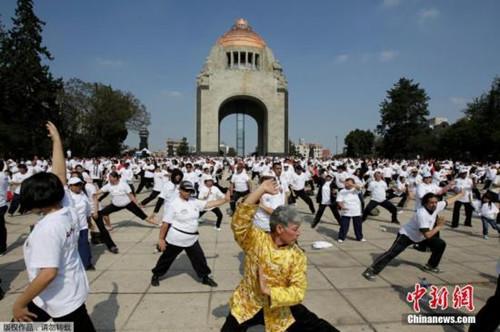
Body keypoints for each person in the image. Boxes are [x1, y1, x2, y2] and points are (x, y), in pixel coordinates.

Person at [221, 179, 338, 332]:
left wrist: (269, 291)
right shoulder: (256, 241)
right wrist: (260, 190)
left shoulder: (296, 255)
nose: (299, 233)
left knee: (319, 327)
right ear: (280, 229)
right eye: (295, 229)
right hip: (248, 302)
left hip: (280, 307)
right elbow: (240, 221)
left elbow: (298, 292)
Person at [12, 121, 95, 331]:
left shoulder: (47, 229)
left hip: (58, 297)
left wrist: (19, 303)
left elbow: (48, 273)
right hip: (64, 292)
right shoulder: (65, 207)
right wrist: (57, 141)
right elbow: (59, 175)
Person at [362, 190, 464, 280]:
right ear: (425, 203)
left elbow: (448, 201)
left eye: (435, 202)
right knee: (392, 253)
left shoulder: (436, 206)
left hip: (420, 236)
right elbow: (428, 235)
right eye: (431, 203)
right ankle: (371, 270)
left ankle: (431, 266)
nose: (434, 204)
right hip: (407, 235)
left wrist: (460, 194)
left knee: (440, 244)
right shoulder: (422, 214)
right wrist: (438, 226)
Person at [150, 180, 230, 287]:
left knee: (199, 258)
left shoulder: (194, 201)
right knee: (166, 259)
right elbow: (165, 224)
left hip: (191, 238)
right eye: (186, 190)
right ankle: (156, 275)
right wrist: (161, 239)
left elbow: (208, 204)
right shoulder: (173, 204)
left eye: (190, 190)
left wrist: (224, 200)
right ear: (180, 190)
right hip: (176, 238)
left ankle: (204, 277)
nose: (188, 192)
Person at [92, 171, 155, 254]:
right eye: (109, 178)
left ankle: (158, 224)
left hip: (128, 204)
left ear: (116, 178)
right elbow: (98, 192)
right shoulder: (108, 185)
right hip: (115, 205)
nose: (109, 179)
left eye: (111, 177)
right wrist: (93, 193)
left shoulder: (124, 184)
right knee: (101, 213)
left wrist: (137, 204)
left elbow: (131, 195)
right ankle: (109, 226)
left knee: (143, 216)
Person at [68, 177, 94, 270]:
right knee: (72, 246)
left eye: (80, 184)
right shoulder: (67, 197)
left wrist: (89, 221)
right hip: (72, 226)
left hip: (83, 225)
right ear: (70, 186)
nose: (79, 186)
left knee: (84, 244)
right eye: (76, 185)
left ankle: (87, 264)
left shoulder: (83, 195)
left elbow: (87, 210)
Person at [336, 178, 365, 242]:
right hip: (346, 211)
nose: (348, 184)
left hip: (356, 211)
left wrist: (352, 184)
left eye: (349, 183)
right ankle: (341, 237)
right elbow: (339, 200)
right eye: (346, 183)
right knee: (344, 226)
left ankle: (359, 237)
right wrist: (342, 206)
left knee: (358, 225)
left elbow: (359, 187)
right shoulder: (342, 191)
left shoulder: (355, 190)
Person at [0, 160, 8, 255]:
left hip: (0, 204)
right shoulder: (4, 175)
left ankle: (2, 248)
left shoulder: (1, 176)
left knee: (1, 228)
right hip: (3, 204)